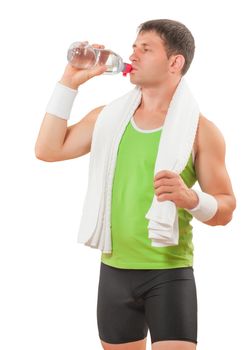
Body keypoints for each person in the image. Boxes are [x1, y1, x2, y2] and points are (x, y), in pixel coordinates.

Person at [35, 19, 236, 350]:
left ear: (175, 62)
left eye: (146, 48)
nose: (134, 54)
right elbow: (47, 149)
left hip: (168, 274)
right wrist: (69, 82)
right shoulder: (107, 118)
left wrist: (192, 200)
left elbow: (226, 208)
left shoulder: (202, 132)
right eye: (133, 47)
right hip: (113, 272)